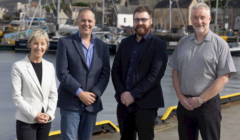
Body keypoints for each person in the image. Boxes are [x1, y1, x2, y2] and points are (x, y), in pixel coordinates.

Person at [168, 3, 236, 140]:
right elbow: (175, 71)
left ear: (209, 19)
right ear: (191, 20)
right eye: (195, 18)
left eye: (202, 17)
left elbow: (223, 77)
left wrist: (200, 100)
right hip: (184, 105)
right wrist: (181, 98)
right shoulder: (183, 42)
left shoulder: (220, 44)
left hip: (208, 106)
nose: (199, 21)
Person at [111, 6, 168, 140]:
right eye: (137, 20)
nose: (140, 23)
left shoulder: (159, 45)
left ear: (150, 21)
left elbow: (155, 75)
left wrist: (133, 95)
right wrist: (122, 94)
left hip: (146, 104)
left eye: (143, 19)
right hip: (124, 104)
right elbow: (115, 71)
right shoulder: (124, 43)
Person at [56, 9, 110, 140]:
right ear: (77, 22)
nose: (86, 24)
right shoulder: (65, 42)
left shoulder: (102, 46)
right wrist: (80, 93)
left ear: (94, 23)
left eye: (89, 21)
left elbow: (105, 73)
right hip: (70, 103)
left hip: (92, 104)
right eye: (83, 20)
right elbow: (62, 72)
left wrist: (95, 93)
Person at [11, 29, 58, 140]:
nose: (39, 47)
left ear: (46, 46)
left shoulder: (50, 66)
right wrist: (35, 115)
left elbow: (53, 95)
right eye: (35, 43)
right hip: (26, 121)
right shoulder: (18, 67)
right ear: (30, 44)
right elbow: (17, 97)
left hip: (45, 121)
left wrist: (49, 114)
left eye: (42, 44)